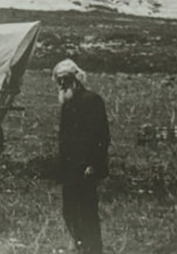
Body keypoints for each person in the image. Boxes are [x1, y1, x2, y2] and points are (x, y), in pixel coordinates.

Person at [54, 58, 109, 254]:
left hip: (86, 167)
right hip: (70, 168)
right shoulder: (67, 103)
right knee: (70, 210)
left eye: (66, 78)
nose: (62, 83)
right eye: (59, 79)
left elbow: (101, 136)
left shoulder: (92, 100)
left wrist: (93, 164)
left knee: (87, 211)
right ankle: (79, 246)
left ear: (76, 78)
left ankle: (93, 249)